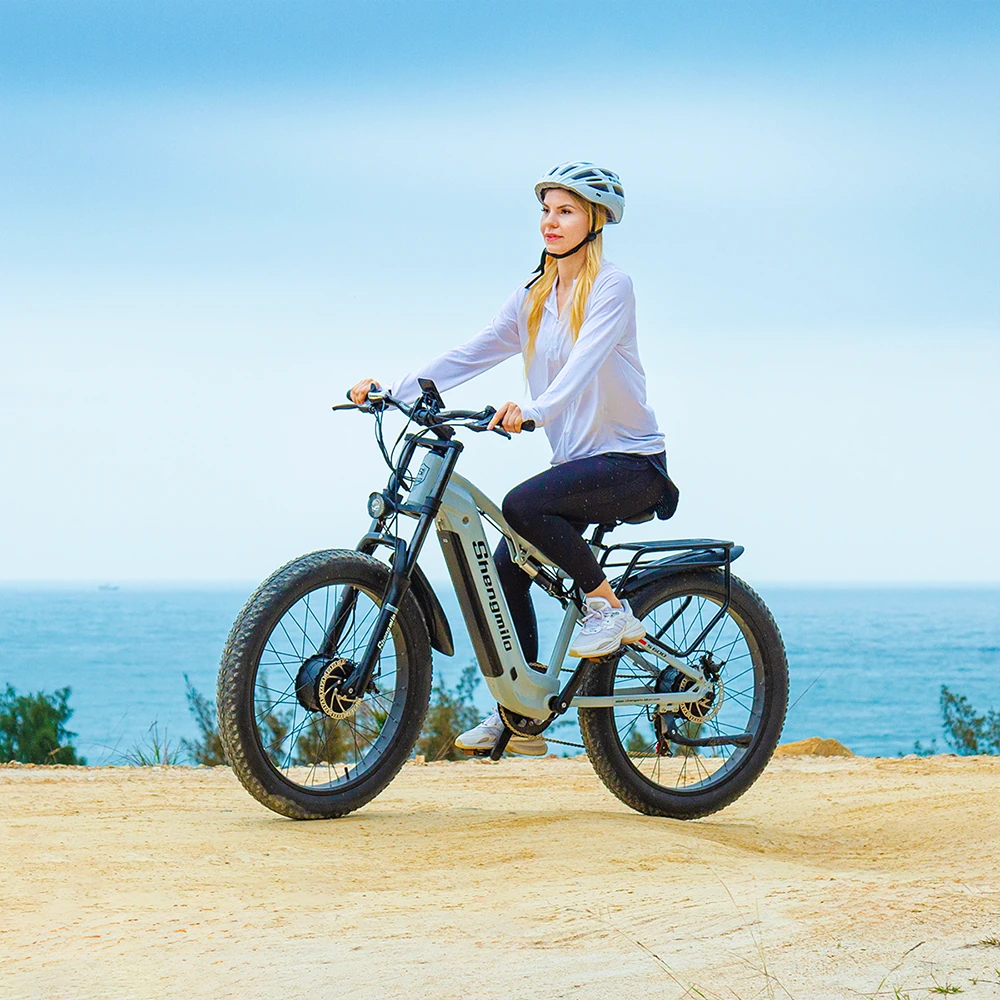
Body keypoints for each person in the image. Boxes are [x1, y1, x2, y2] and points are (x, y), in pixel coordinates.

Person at [348, 161, 677, 756]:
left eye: (567, 210)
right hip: (577, 468)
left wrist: (534, 412)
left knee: (523, 505)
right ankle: (521, 715)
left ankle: (610, 610)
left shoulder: (611, 287)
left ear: (596, 220)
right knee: (507, 568)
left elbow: (583, 366)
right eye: (546, 210)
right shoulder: (534, 296)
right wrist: (394, 393)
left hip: (631, 463)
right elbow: (471, 353)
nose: (551, 221)